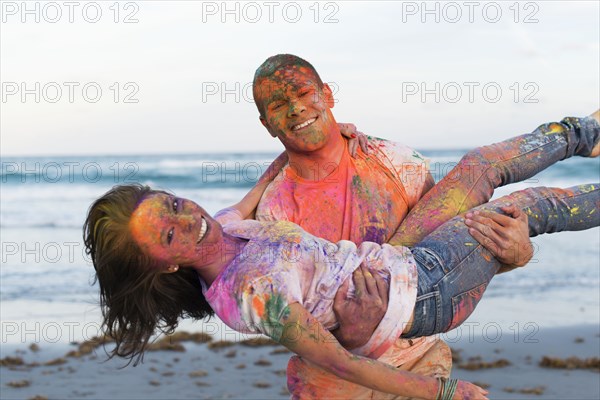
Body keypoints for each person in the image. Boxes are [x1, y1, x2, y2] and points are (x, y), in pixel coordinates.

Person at [84, 118, 599, 399]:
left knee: (480, 165)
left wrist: (294, 150)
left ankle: (588, 133)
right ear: (165, 266)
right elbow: (337, 360)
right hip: (424, 293)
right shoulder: (252, 295)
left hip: (397, 257)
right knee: (527, 207)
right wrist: (440, 393)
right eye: (170, 235)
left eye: (174, 204)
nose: (189, 220)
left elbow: (257, 186)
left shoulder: (227, 223)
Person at [252, 54, 534, 398]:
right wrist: (353, 335)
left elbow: (449, 264)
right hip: (332, 383)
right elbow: (292, 322)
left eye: (302, 93)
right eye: (279, 104)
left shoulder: (399, 163)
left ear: (326, 94)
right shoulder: (273, 212)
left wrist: (516, 253)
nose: (295, 108)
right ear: (267, 124)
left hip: (421, 361)